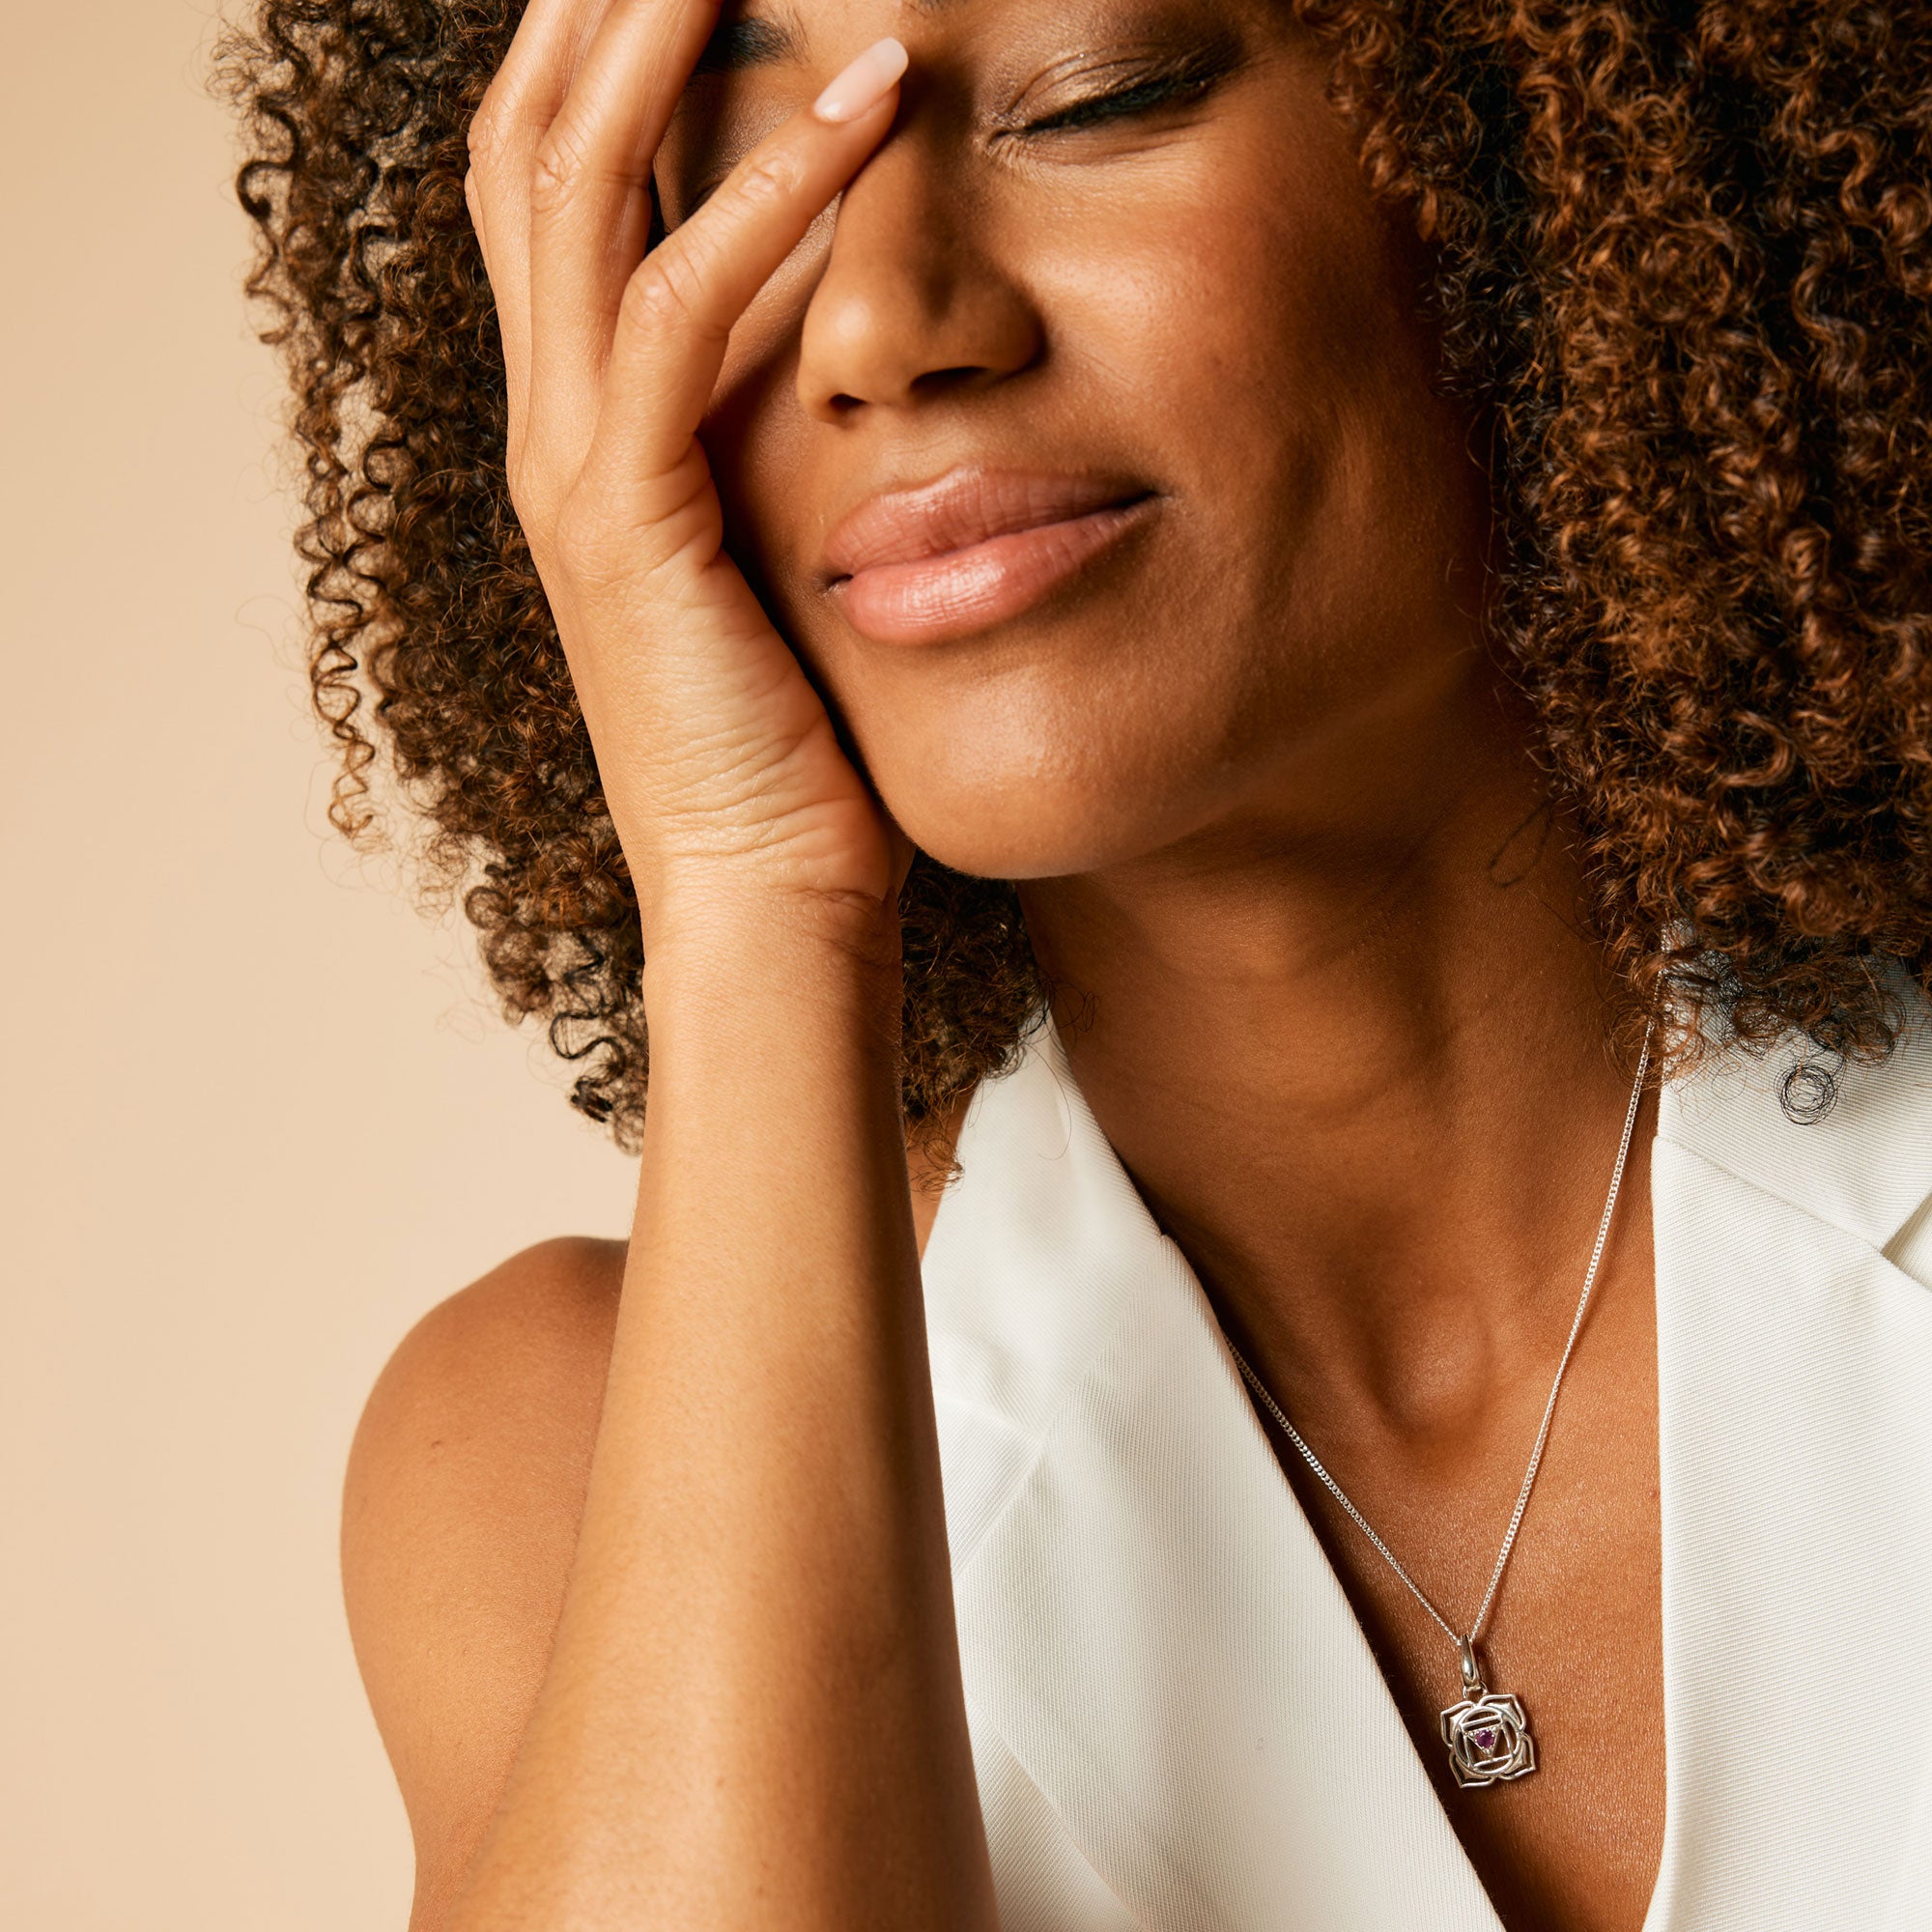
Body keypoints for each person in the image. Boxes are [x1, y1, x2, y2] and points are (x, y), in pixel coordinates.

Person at [221, 2, 1932, 1928]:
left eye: (1095, 97)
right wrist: (748, 891)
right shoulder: (555, 1449)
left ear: (1538, 169)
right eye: (726, 185)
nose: (879, 324)